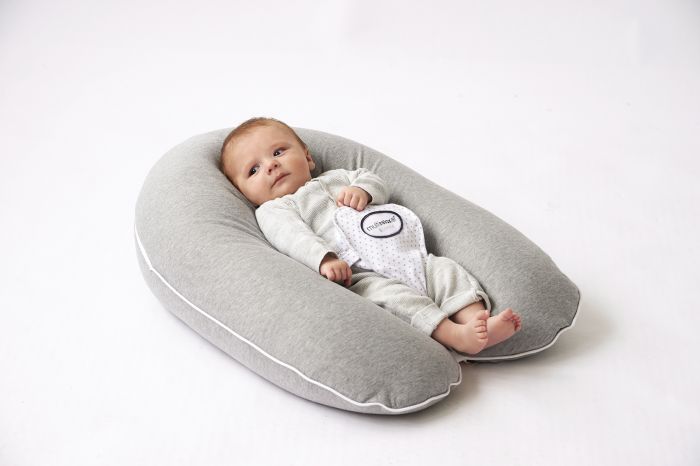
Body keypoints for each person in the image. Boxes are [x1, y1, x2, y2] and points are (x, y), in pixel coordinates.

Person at [219, 117, 521, 355]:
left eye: (278, 152)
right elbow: (292, 238)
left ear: (308, 157)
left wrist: (362, 190)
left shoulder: (338, 177)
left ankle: (476, 318)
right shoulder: (274, 210)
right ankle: (454, 335)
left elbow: (373, 179)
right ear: (244, 193)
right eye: (254, 170)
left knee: (445, 271)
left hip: (408, 254)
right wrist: (325, 259)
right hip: (362, 274)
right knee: (394, 299)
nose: (271, 165)